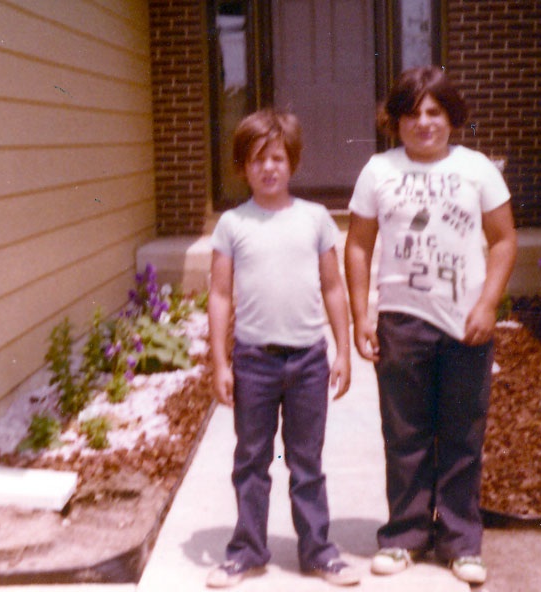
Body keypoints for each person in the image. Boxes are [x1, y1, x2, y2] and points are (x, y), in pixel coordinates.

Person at [344, 66, 517, 585]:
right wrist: (362, 313)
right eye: (412, 112)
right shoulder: (378, 171)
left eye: (434, 112)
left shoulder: (478, 169)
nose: (424, 122)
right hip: (402, 321)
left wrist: (487, 304)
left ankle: (461, 540)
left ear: (450, 118)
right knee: (405, 435)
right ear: (396, 120)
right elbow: (358, 245)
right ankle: (405, 535)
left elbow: (505, 241)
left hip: (466, 323)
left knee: (463, 434)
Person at [206, 108, 358, 588]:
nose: (267, 168)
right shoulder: (233, 225)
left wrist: (344, 350)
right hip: (253, 361)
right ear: (242, 167)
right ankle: (248, 550)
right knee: (251, 459)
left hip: (309, 360)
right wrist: (219, 362)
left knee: (306, 461)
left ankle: (318, 550)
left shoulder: (315, 220)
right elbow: (220, 295)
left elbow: (334, 288)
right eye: (256, 160)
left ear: (290, 162)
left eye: (275, 158)